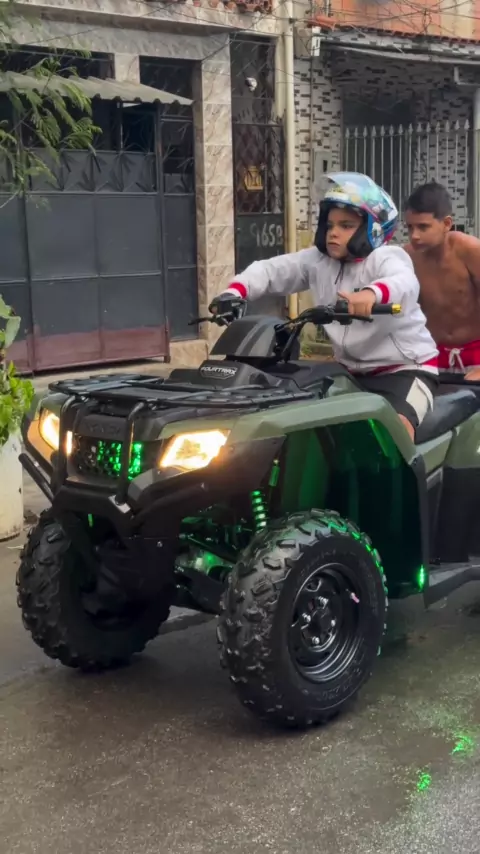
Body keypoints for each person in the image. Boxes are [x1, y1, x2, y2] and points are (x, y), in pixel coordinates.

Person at [209, 172, 438, 441]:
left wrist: (371, 294)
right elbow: (271, 270)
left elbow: (404, 282)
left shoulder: (386, 257)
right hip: (348, 374)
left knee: (394, 434)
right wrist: (234, 292)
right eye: (329, 225)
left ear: (372, 229)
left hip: (405, 372)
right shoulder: (319, 261)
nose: (333, 233)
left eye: (346, 225)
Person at [404, 181, 480, 382]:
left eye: (423, 227)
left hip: (476, 354)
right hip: (432, 354)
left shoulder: (469, 250)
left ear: (446, 224)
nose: (414, 236)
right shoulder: (407, 257)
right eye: (410, 227)